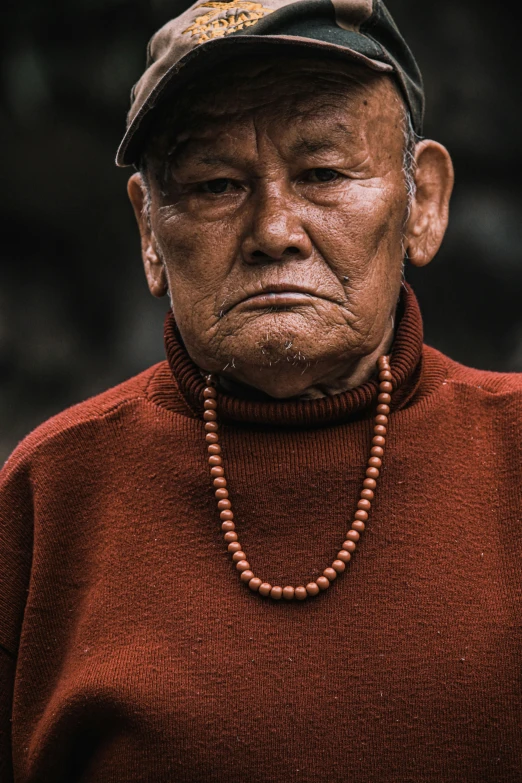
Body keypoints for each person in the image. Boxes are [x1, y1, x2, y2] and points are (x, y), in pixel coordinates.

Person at [1, 0, 521, 780]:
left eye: (322, 172)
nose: (275, 228)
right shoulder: (50, 495)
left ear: (424, 202)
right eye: (215, 184)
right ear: (149, 231)